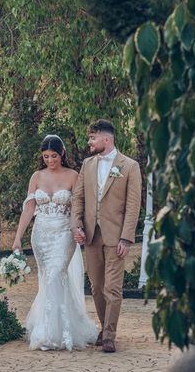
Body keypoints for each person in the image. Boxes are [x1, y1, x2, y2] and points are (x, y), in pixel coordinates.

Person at [12, 134, 98, 351]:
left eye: (54, 156)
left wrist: (78, 229)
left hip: (64, 234)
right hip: (40, 235)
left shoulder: (73, 176)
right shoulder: (36, 177)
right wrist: (17, 238)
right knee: (47, 279)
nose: (50, 160)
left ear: (62, 154)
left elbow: (78, 208)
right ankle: (50, 328)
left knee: (55, 275)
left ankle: (55, 333)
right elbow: (29, 209)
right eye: (46, 156)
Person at [71, 119, 141, 353]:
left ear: (106, 139)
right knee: (97, 286)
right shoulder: (87, 164)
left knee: (113, 287)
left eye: (93, 138)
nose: (89, 142)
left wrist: (127, 238)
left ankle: (109, 335)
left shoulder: (130, 166)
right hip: (91, 235)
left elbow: (133, 205)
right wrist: (76, 226)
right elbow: (78, 198)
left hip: (116, 236)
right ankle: (104, 326)